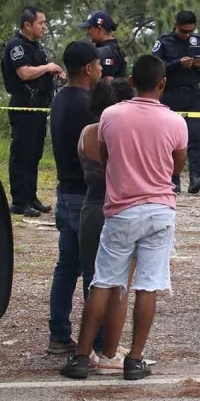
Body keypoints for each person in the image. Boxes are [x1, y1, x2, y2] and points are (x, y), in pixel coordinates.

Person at [60, 55, 188, 380]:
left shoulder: (110, 116)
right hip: (159, 210)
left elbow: (107, 159)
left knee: (103, 281)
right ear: (163, 83)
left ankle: (80, 357)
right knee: (148, 285)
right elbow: (176, 167)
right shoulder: (176, 122)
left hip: (120, 210)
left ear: (131, 81)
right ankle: (134, 359)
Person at [47, 41, 103, 356]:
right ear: (88, 69)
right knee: (94, 270)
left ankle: (59, 334)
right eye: (98, 64)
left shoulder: (59, 99)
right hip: (85, 194)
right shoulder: (88, 105)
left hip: (64, 191)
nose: (101, 68)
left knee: (66, 266)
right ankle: (95, 342)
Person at [77, 78, 137, 375]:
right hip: (117, 210)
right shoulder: (122, 135)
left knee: (95, 281)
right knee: (119, 287)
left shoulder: (87, 133)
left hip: (90, 209)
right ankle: (108, 351)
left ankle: (85, 350)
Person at [1, 6, 63, 217]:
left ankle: (31, 197)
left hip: (38, 106)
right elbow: (24, 73)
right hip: (24, 105)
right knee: (22, 154)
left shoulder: (36, 47)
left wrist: (53, 73)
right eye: (41, 23)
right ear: (27, 25)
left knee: (34, 153)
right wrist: (48, 67)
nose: (44, 27)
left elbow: (39, 72)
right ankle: (19, 201)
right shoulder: (16, 46)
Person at [152, 10, 200, 194]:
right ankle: (173, 180)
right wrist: (178, 64)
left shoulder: (198, 42)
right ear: (175, 24)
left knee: (195, 136)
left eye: (190, 31)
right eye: (183, 31)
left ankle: (195, 178)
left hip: (193, 95)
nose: (187, 35)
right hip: (170, 94)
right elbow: (154, 67)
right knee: (170, 138)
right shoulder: (163, 42)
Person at [79, 11, 127, 80]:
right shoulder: (112, 49)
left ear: (99, 29)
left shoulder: (107, 52)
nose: (88, 32)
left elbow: (107, 83)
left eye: (89, 28)